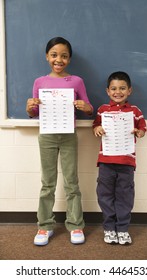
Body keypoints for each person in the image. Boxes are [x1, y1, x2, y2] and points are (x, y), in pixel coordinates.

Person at [26, 37, 93, 246]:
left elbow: (90, 108)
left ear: (69, 59)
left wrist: (84, 106)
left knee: (71, 181)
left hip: (68, 134)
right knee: (48, 182)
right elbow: (34, 113)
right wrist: (30, 107)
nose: (59, 59)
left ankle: (76, 224)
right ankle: (44, 226)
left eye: (64, 56)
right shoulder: (39, 82)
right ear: (47, 56)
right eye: (54, 55)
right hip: (46, 135)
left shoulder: (76, 81)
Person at [93, 71, 147, 245]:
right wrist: (97, 129)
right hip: (106, 162)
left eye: (122, 88)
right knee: (105, 195)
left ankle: (122, 229)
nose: (118, 92)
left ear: (129, 91)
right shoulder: (102, 110)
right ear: (108, 91)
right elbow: (95, 126)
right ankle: (109, 228)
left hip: (126, 162)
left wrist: (139, 132)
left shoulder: (135, 111)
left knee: (125, 196)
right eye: (114, 88)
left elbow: (142, 129)